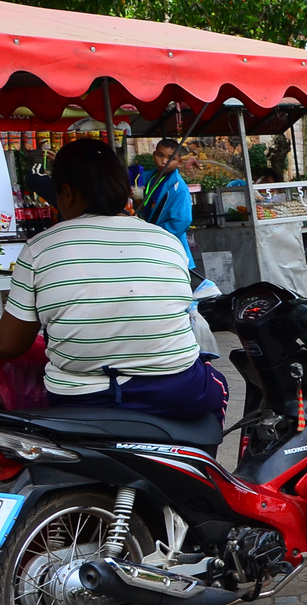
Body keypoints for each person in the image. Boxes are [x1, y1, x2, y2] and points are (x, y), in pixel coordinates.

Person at [0, 140, 228, 422]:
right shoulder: (166, 242)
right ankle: (200, 465)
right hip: (175, 391)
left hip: (80, 399)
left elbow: (9, 345)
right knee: (218, 385)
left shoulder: (38, 248)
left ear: (67, 193)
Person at [137, 137, 195, 271]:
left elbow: (182, 221)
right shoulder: (147, 178)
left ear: (179, 162)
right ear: (154, 155)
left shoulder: (179, 187)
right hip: (154, 247)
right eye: (160, 155)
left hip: (171, 249)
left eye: (171, 158)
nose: (164, 161)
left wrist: (155, 236)